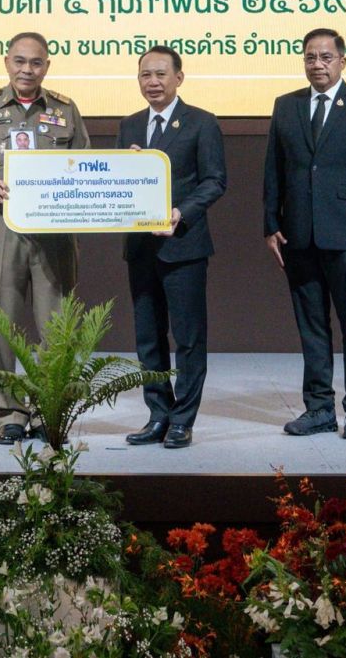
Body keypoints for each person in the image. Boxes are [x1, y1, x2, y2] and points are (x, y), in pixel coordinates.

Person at [0, 31, 89, 444]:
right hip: (0, 223)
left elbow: (85, 160)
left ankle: (48, 407)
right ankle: (9, 412)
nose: (27, 69)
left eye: (36, 62)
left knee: (58, 322)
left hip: (54, 228)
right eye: (20, 61)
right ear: (6, 62)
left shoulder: (65, 109)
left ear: (47, 66)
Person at [263, 28, 346, 440]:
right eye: (310, 57)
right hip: (298, 236)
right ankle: (319, 409)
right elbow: (274, 169)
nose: (317, 64)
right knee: (312, 327)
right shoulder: (286, 105)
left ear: (342, 61)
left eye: (325, 57)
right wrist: (271, 224)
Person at [116, 46, 227, 450]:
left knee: (188, 338)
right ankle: (158, 414)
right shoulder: (129, 125)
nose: (153, 82)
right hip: (141, 248)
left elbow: (214, 180)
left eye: (161, 74)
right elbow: (120, 184)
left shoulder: (201, 122)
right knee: (148, 338)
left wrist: (181, 212)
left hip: (184, 246)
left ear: (179, 77)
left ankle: (183, 420)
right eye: (145, 75)